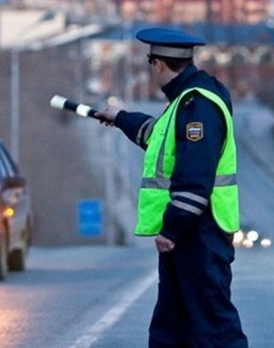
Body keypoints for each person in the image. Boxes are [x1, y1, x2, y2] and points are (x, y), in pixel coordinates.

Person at [95, 27, 248, 347]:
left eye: (150, 63)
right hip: (190, 236)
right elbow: (155, 136)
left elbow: (195, 178)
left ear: (158, 65)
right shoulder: (185, 102)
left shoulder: (198, 107)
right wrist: (120, 117)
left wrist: (172, 229)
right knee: (172, 327)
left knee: (212, 327)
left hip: (200, 233)